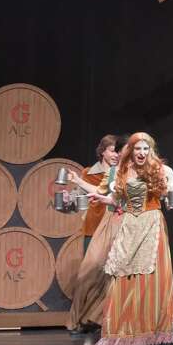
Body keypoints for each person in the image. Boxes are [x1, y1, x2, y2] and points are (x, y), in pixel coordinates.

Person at [89, 132, 173, 345]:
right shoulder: (121, 171)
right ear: (131, 150)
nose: (142, 153)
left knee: (151, 278)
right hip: (129, 225)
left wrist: (167, 185)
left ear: (151, 151)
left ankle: (151, 332)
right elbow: (116, 200)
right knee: (124, 276)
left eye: (146, 149)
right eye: (138, 149)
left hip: (152, 224)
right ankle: (123, 331)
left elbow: (169, 196)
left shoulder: (159, 170)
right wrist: (102, 199)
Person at [65, 134, 121, 333]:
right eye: (112, 150)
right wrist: (68, 201)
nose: (116, 154)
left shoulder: (122, 172)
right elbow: (77, 202)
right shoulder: (88, 173)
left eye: (118, 150)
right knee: (89, 276)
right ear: (103, 151)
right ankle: (79, 319)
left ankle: (98, 319)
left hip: (116, 226)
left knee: (109, 278)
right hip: (93, 226)